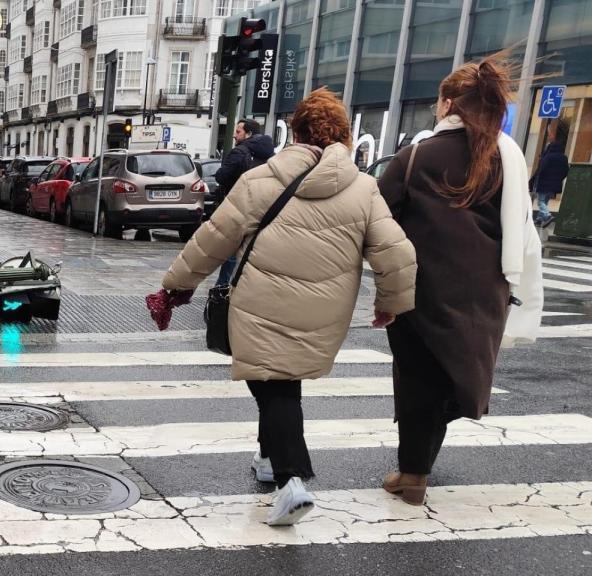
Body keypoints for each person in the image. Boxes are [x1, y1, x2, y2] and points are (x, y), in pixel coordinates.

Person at [159, 89, 417, 526]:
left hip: (261, 303)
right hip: (324, 309)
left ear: (295, 132)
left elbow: (212, 240)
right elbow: (396, 254)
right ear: (343, 136)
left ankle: (291, 481)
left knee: (274, 385)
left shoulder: (261, 180)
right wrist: (390, 304)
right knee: (281, 378)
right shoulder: (363, 188)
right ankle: (266, 457)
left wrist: (174, 286)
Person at [377, 53, 543, 506]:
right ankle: (417, 468)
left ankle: (413, 473)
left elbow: (375, 221)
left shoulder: (415, 158)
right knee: (456, 378)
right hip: (485, 294)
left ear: (450, 103)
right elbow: (522, 230)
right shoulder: (505, 160)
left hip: (420, 294)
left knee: (417, 383)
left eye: (438, 100)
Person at [212, 119, 276, 286]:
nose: (234, 135)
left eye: (238, 131)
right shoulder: (271, 155)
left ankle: (223, 287)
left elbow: (221, 176)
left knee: (232, 250)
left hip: (240, 205)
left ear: (249, 134)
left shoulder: (240, 152)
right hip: (264, 207)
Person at [531, 123, 570, 227]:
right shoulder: (563, 157)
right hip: (554, 186)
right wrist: (557, 179)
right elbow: (566, 171)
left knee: (540, 202)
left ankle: (547, 216)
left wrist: (536, 178)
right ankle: (539, 219)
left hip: (544, 183)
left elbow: (541, 169)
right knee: (545, 201)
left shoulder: (548, 157)